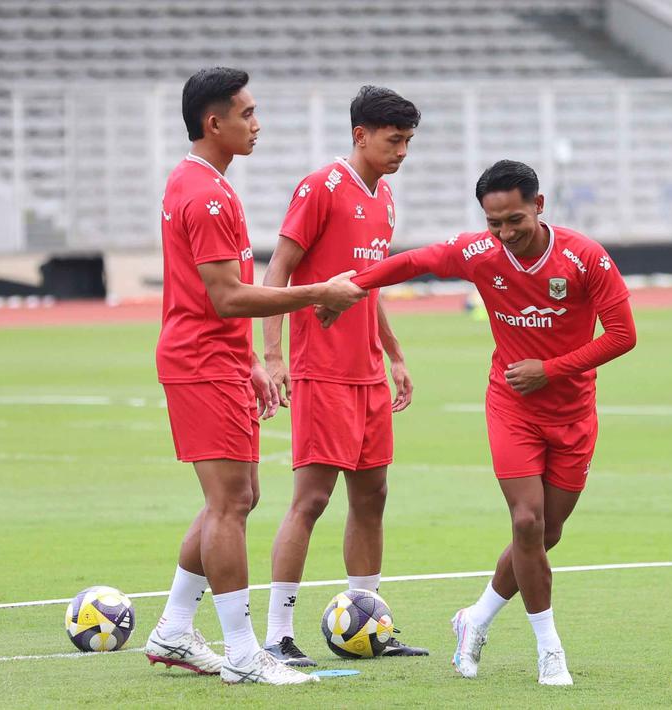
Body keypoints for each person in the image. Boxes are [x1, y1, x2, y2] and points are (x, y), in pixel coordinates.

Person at [324, 160, 636, 685]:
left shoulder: (584, 258)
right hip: (512, 406)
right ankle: (549, 648)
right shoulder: (481, 253)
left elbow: (623, 334)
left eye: (515, 219)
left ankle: (476, 617)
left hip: (574, 414)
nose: (506, 234)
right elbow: (416, 261)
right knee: (526, 523)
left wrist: (551, 370)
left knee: (547, 533)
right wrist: (353, 285)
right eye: (494, 223)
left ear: (539, 206)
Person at [144, 66, 366, 686]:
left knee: (238, 499)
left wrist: (249, 360)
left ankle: (173, 629)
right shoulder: (208, 194)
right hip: (199, 360)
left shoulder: (198, 182)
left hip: (214, 356)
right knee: (229, 504)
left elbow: (207, 292)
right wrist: (315, 292)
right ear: (213, 123)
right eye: (246, 114)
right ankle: (243, 653)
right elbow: (226, 297)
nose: (256, 124)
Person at [259, 85, 428, 666]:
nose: (402, 151)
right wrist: (273, 355)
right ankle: (277, 635)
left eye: (408, 141)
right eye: (394, 139)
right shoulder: (320, 188)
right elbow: (278, 269)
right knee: (311, 499)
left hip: (367, 374)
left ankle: (368, 620)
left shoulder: (384, 196)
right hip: (320, 370)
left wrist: (396, 355)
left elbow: (368, 285)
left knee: (373, 495)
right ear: (361, 134)